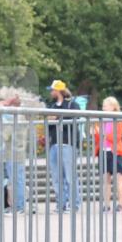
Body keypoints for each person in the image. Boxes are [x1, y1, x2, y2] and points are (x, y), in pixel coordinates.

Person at [46, 79, 81, 212]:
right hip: (54, 144)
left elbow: (75, 118)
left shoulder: (72, 104)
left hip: (68, 143)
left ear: (58, 91)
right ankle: (61, 204)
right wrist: (49, 120)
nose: (51, 92)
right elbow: (49, 125)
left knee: (70, 176)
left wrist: (58, 117)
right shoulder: (52, 107)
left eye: (53, 90)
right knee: (56, 177)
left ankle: (74, 204)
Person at [93, 96, 122, 213]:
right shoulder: (102, 120)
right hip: (103, 151)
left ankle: (121, 204)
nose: (103, 108)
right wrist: (96, 133)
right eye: (103, 106)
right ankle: (106, 205)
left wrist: (103, 135)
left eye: (105, 106)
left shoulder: (119, 119)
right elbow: (99, 138)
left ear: (113, 107)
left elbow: (117, 137)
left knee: (118, 179)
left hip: (115, 152)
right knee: (105, 179)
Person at [0, 97, 29, 214]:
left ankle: (19, 206)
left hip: (12, 154)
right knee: (19, 180)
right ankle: (19, 206)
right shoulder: (22, 118)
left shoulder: (13, 120)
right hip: (19, 153)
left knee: (16, 180)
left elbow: (5, 136)